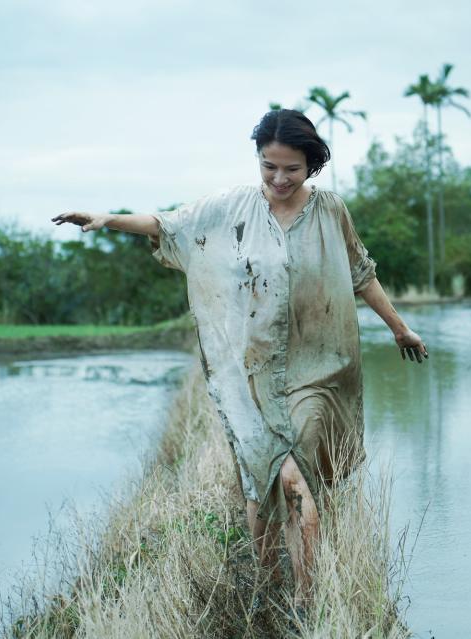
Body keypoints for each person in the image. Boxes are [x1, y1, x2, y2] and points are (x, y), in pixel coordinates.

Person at [51, 109, 428, 614]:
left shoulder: (331, 211)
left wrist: (399, 327)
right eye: (268, 166)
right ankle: (266, 590)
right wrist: (107, 219)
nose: (278, 178)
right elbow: (171, 224)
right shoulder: (233, 208)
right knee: (261, 489)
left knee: (297, 482)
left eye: (290, 168)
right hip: (253, 373)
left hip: (320, 370)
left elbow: (361, 274)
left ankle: (305, 601)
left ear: (311, 165)